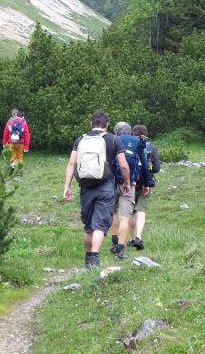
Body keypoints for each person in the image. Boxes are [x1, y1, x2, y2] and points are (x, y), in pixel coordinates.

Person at [63, 111, 131, 269]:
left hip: (86, 187)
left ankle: (88, 260)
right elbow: (123, 165)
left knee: (88, 226)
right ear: (107, 125)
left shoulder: (81, 139)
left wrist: (67, 186)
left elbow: (72, 164)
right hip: (105, 186)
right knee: (99, 225)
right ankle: (94, 258)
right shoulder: (113, 139)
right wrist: (126, 182)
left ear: (91, 124)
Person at [107, 122, 149, 259]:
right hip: (129, 184)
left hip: (112, 183)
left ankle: (114, 242)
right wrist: (146, 183)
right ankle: (120, 249)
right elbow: (144, 164)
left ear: (115, 132)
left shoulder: (113, 140)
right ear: (130, 131)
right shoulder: (136, 142)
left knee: (113, 213)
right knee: (124, 217)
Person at [129, 124, 159, 251]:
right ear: (145, 134)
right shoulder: (151, 147)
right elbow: (156, 168)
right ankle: (138, 237)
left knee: (131, 212)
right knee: (141, 211)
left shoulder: (128, 145)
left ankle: (130, 239)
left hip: (130, 183)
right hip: (145, 184)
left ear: (132, 134)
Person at [2, 108, 30, 174]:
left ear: (12, 114)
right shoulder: (23, 122)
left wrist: (4, 143)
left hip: (12, 143)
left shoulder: (10, 121)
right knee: (20, 156)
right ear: (17, 113)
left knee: (13, 156)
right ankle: (19, 170)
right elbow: (27, 135)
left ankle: (13, 166)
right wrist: (26, 147)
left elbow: (5, 133)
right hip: (21, 143)